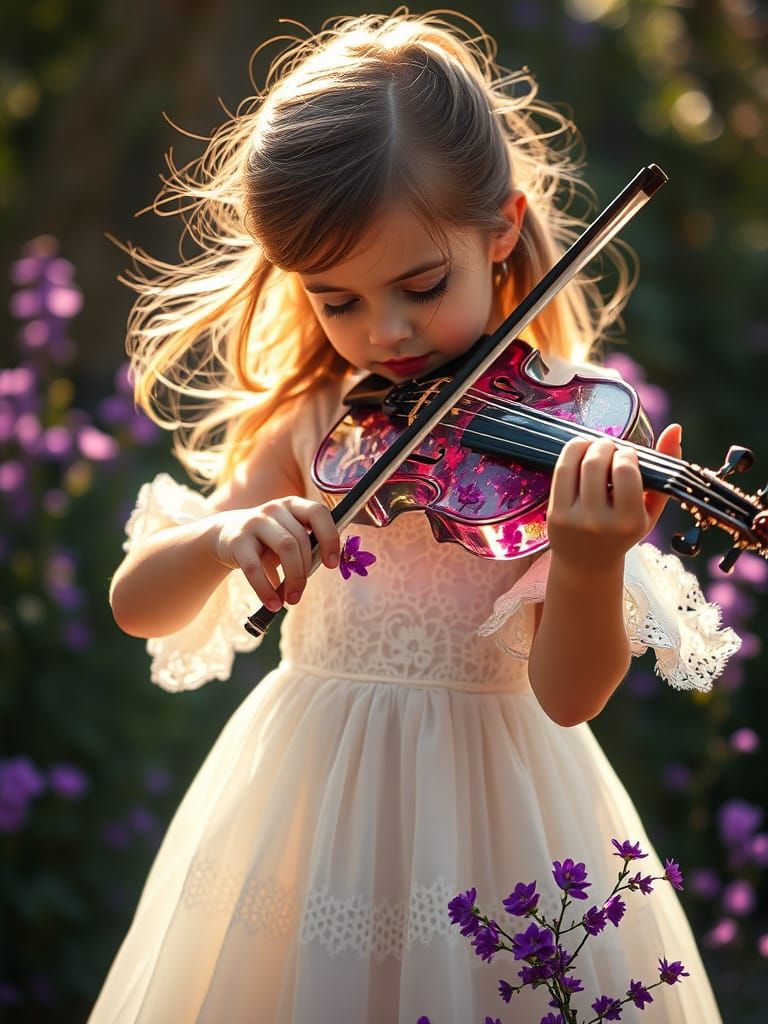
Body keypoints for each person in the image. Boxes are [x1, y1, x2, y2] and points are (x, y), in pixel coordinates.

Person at [88, 11, 740, 1023]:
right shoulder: (317, 422)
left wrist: (587, 563)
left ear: (502, 232)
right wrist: (222, 539)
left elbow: (570, 696)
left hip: (499, 827)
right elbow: (139, 605)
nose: (383, 332)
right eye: (337, 300)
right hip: (307, 818)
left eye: (421, 286)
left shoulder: (565, 434)